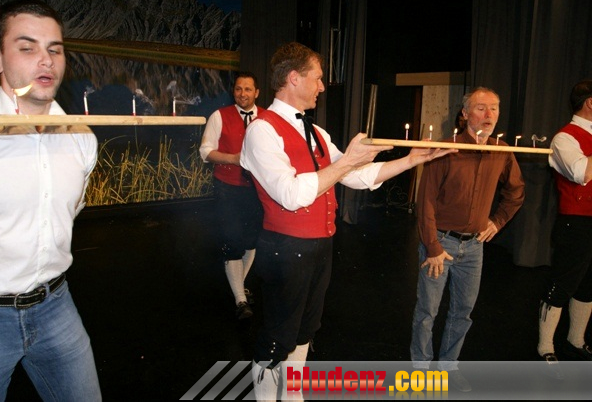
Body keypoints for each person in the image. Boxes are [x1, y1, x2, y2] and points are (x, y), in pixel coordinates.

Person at [240, 41, 455, 400]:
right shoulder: (261, 130)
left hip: (319, 247)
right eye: (317, 78)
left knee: (305, 330)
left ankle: (292, 396)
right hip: (284, 249)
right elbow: (291, 194)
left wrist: (411, 160)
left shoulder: (316, 132)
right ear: (293, 78)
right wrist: (345, 163)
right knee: (276, 339)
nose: (322, 87)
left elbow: (355, 176)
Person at [0, 0, 101, 400]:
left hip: (56, 307)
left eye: (55, 49)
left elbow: (68, 213)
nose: (46, 60)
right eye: (27, 47)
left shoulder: (82, 138)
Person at [411, 87, 525, 392]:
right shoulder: (446, 149)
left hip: (474, 248)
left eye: (494, 108)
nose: (489, 115)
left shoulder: (501, 150)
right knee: (427, 312)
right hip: (440, 244)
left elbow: (516, 191)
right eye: (481, 108)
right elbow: (426, 202)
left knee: (462, 312)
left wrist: (497, 221)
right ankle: (421, 370)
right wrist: (432, 246)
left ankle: (448, 368)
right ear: (464, 114)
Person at [537, 79, 592, 373]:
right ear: (590, 102)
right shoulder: (564, 138)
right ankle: (545, 346)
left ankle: (575, 340)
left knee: (589, 285)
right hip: (576, 222)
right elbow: (581, 173)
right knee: (562, 283)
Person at [199, 71, 263, 320]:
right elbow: (205, 152)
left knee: (251, 241)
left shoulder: (268, 118)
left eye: (247, 89)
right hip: (228, 188)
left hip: (257, 190)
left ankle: (238, 287)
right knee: (232, 241)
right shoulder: (219, 116)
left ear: (256, 92)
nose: (242, 94)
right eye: (238, 89)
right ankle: (240, 300)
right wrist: (233, 159)